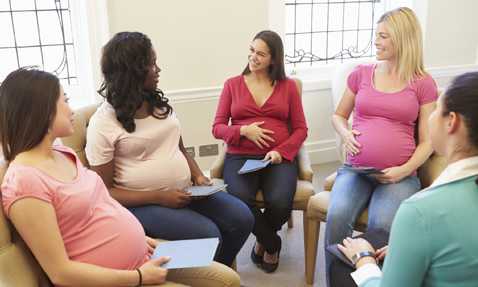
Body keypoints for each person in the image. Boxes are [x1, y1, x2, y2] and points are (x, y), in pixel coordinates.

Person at [0, 68, 240, 287]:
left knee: (228, 279)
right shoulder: (24, 181)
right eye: (65, 100)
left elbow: (101, 205)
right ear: (41, 110)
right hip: (119, 278)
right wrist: (138, 278)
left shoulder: (62, 153)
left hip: (144, 254)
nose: (71, 109)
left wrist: (141, 237)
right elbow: (60, 273)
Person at [85, 32, 253, 268]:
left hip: (186, 191)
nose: (158, 69)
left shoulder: (159, 104)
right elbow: (106, 192)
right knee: (208, 233)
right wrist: (159, 197)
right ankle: (211, 274)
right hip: (141, 204)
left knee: (242, 218)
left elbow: (180, 147)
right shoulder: (103, 123)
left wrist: (197, 175)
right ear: (133, 71)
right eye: (152, 63)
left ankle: (216, 275)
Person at [324, 7, 438, 286]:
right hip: (356, 170)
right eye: (376, 35)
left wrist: (404, 170)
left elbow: (428, 142)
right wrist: (346, 133)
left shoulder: (423, 83)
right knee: (337, 216)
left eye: (383, 36)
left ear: (402, 39)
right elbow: (338, 115)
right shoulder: (361, 73)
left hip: (398, 176)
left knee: (382, 227)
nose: (376, 41)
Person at [338, 71, 478, 286]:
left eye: (437, 109)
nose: (430, 116)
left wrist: (364, 261)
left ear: (451, 122)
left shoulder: (419, 211)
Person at [212, 30, 308, 273]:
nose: (253, 57)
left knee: (279, 202)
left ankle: (262, 239)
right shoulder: (232, 85)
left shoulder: (288, 87)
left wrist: (281, 151)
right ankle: (272, 243)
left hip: (277, 158)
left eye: (261, 54)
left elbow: (300, 129)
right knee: (239, 201)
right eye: (252, 50)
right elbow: (218, 127)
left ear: (274, 60)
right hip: (240, 156)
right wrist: (243, 131)